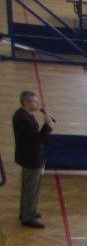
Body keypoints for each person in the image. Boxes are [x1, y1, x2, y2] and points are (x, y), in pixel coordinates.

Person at [12, 90, 51, 229]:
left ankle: (27, 212)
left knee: (29, 187)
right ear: (26, 102)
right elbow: (36, 140)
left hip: (27, 156)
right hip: (31, 158)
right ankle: (27, 217)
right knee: (31, 188)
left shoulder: (22, 115)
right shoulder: (24, 119)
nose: (37, 104)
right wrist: (46, 125)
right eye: (34, 101)